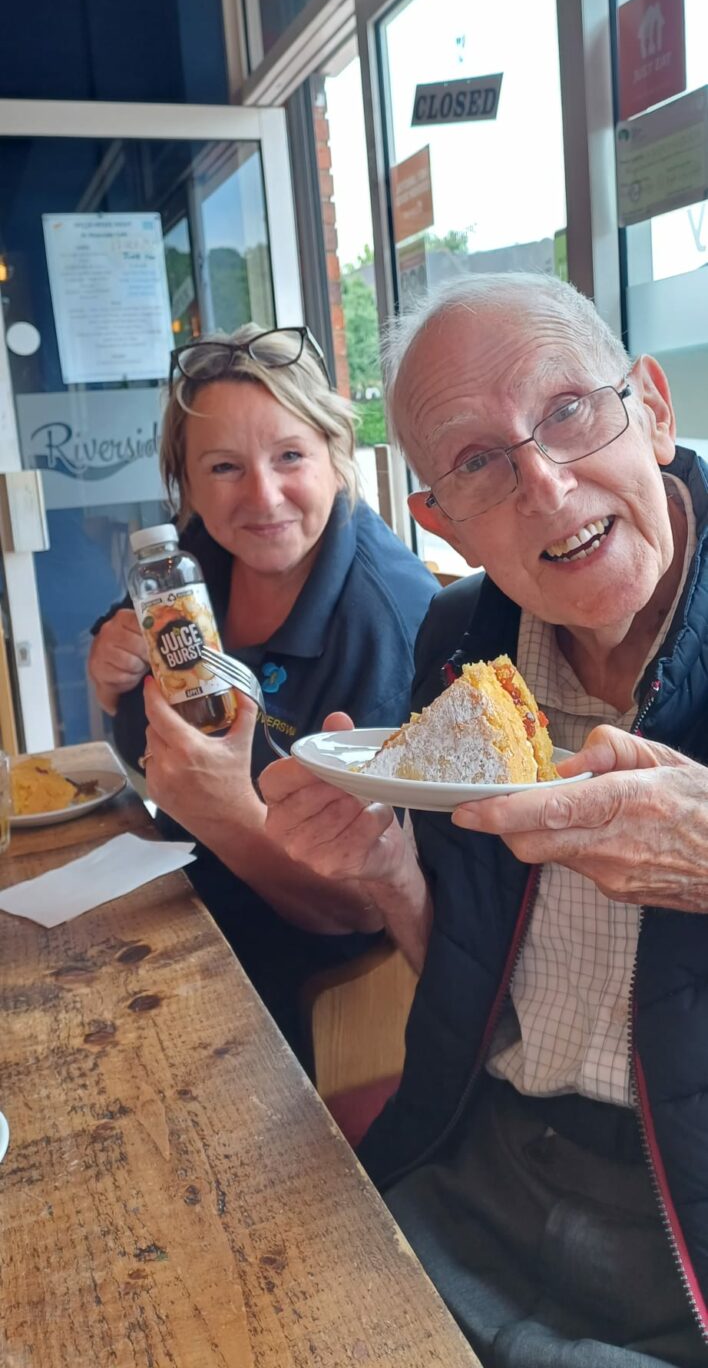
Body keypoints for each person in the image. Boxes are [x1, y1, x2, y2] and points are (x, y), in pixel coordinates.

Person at [260, 276, 708, 1366]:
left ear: (653, 410)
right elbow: (472, 973)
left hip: (680, 1231)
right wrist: (388, 875)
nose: (545, 484)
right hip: (476, 1158)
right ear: (442, 523)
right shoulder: (460, 645)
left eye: (570, 410)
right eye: (476, 461)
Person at [88, 324, 438, 1060]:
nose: (262, 496)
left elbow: (369, 908)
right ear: (185, 486)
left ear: (336, 455)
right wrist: (108, 677)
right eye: (223, 467)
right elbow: (138, 722)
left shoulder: (389, 623)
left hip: (307, 994)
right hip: (180, 902)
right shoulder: (192, 564)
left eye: (289, 456)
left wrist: (228, 814)